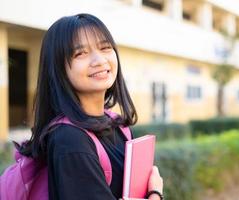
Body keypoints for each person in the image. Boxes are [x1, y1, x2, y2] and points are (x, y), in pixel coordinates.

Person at [17, 13, 163, 200]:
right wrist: (155, 193)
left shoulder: (117, 125)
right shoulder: (70, 140)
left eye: (105, 48)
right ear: (58, 69)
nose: (99, 60)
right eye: (80, 53)